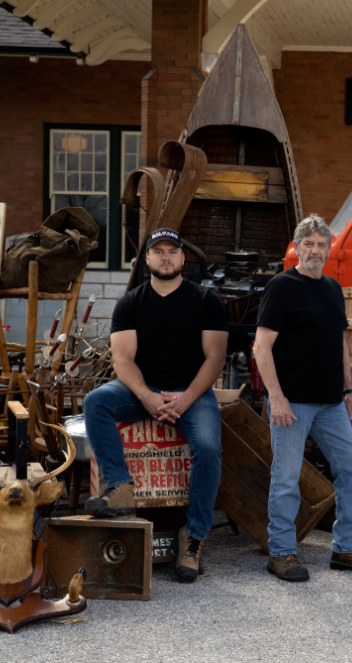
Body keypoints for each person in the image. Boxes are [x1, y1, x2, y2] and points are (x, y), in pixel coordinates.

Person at [84, 228, 228, 583]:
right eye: (158, 251)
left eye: (172, 251)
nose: (166, 257)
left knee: (209, 447)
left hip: (192, 392)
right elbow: (122, 360)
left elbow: (215, 357)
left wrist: (187, 397)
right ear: (146, 258)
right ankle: (120, 489)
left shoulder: (206, 301)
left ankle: (193, 537)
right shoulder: (130, 303)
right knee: (96, 402)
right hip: (142, 389)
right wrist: (146, 396)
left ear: (182, 258)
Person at [253, 215, 352, 582]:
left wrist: (348, 391)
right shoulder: (282, 287)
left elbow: (339, 344)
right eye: (308, 244)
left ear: (329, 249)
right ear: (297, 247)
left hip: (331, 404)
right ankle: (281, 552)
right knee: (286, 478)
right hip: (292, 403)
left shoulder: (331, 288)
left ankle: (346, 548)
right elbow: (261, 347)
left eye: (321, 244)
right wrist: (276, 397)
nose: (315, 250)